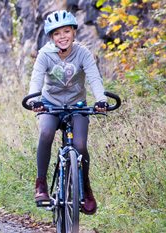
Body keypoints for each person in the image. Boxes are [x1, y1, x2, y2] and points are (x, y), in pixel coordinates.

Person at [26, 10, 107, 215]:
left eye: (66, 31)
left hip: (77, 105)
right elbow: (36, 79)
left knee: (80, 145)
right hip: (49, 104)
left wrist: (101, 100)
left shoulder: (83, 53)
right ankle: (41, 184)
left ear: (74, 32)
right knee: (46, 133)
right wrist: (34, 100)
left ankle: (86, 188)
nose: (62, 37)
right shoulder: (45, 54)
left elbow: (94, 78)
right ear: (51, 37)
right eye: (57, 34)